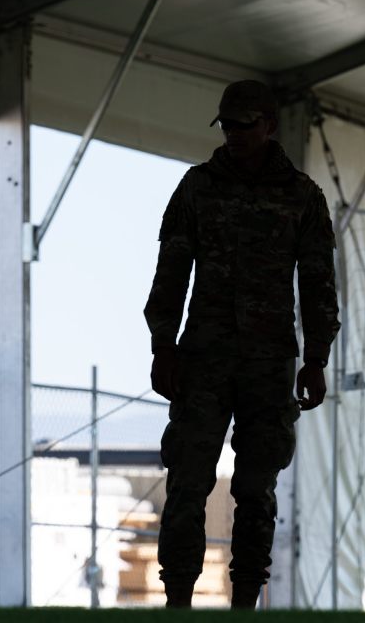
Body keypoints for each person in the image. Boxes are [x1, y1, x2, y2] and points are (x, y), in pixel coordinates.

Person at [144, 79, 340, 609]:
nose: (232, 134)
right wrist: (163, 347)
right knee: (188, 481)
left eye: (244, 125)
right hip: (202, 359)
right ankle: (178, 601)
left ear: (269, 126)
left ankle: (246, 604)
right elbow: (170, 273)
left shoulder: (302, 196)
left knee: (256, 489)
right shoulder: (197, 187)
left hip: (269, 363)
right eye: (226, 125)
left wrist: (317, 358)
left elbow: (318, 284)